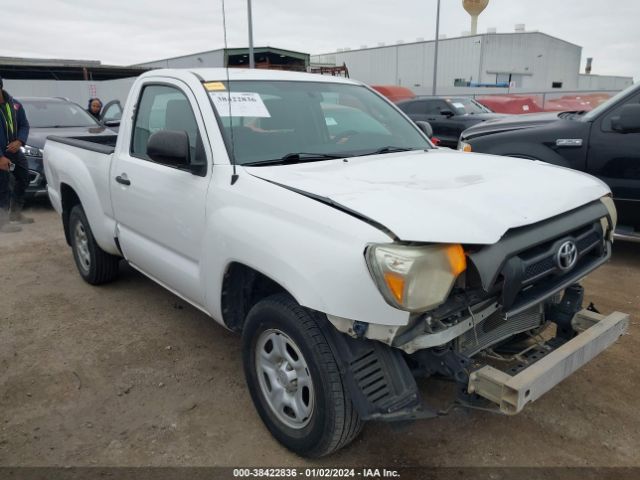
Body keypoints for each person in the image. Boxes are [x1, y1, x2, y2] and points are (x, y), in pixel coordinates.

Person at [0, 75, 31, 233]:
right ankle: (2, 221)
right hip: (1, 154)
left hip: (14, 151)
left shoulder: (15, 105)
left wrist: (20, 141)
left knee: (24, 177)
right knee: (2, 186)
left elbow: (24, 125)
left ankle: (15, 213)